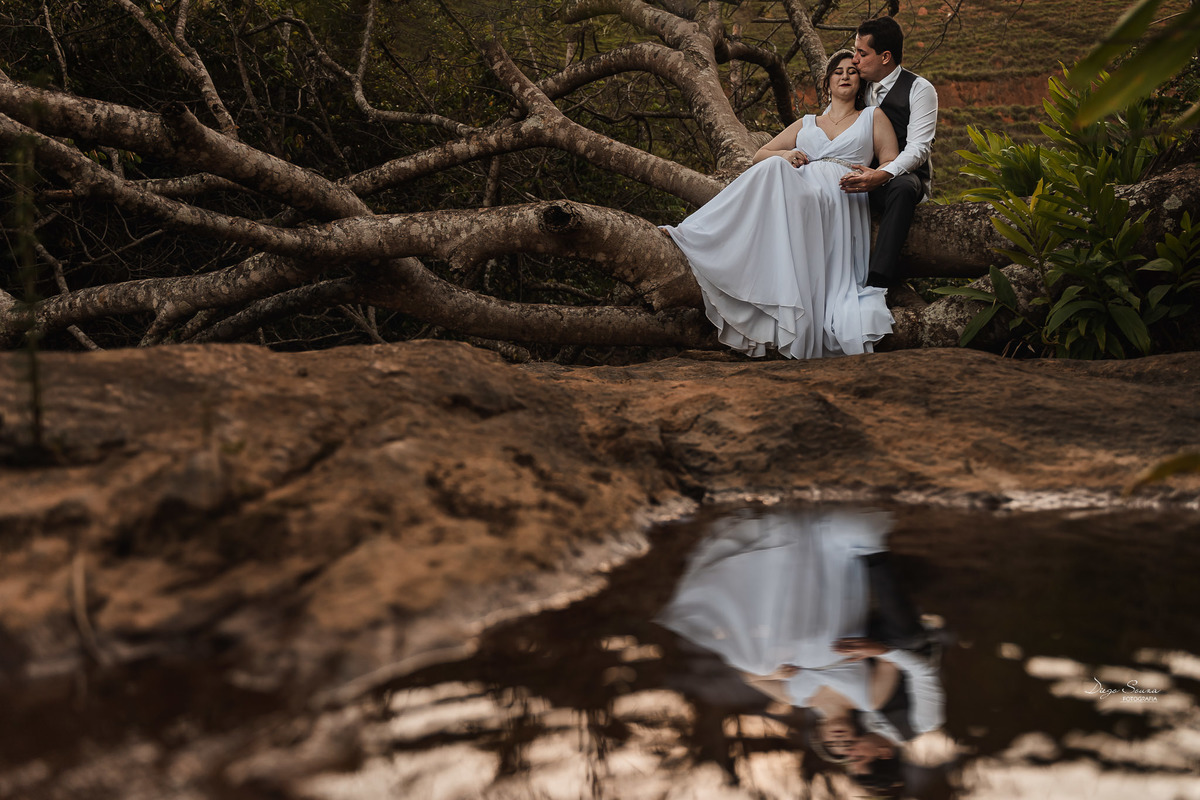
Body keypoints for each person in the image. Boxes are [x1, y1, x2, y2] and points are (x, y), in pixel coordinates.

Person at [661, 50, 899, 359]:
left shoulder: (872, 116)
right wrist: (786, 155)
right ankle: (694, 233)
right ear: (827, 82)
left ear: (860, 81)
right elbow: (761, 154)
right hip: (802, 194)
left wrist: (871, 177)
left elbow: (892, 160)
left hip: (843, 199)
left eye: (852, 71)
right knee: (773, 167)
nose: (845, 75)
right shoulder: (808, 122)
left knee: (775, 171)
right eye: (838, 71)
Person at [839, 17, 939, 291]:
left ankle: (878, 280)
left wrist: (882, 175)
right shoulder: (856, 84)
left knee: (904, 187)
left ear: (885, 57)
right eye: (854, 51)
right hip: (857, 176)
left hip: (901, 179)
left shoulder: (919, 89)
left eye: (862, 53)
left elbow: (919, 148)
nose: (855, 60)